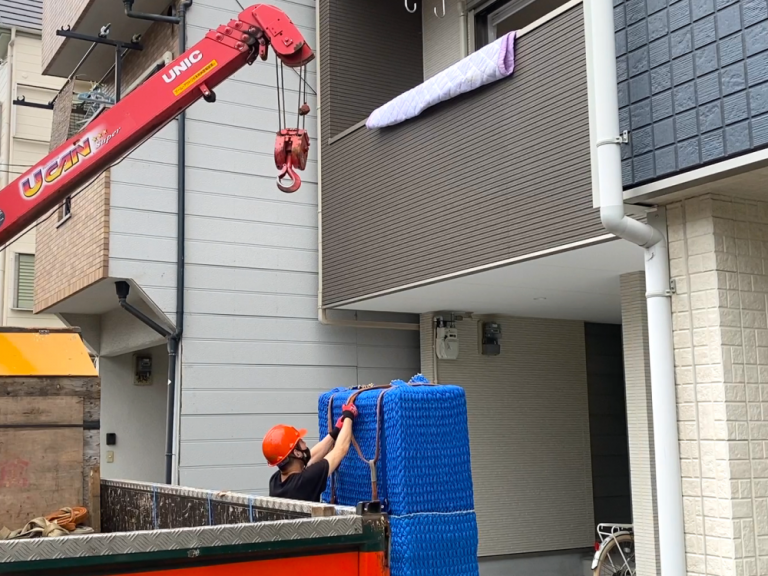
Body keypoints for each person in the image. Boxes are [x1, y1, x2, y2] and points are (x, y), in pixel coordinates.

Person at [263, 403, 358, 502]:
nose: (305, 443)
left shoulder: (275, 481)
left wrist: (336, 431)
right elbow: (340, 449)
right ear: (297, 453)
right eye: (301, 442)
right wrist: (349, 416)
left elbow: (310, 458)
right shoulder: (305, 481)